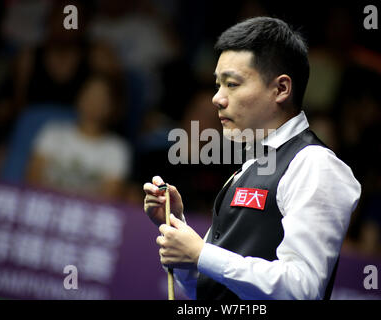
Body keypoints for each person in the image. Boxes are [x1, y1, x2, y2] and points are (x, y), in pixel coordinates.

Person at [143, 17, 361, 300]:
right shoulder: (249, 167)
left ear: (281, 89)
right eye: (218, 85)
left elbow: (302, 289)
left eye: (232, 84)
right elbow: (208, 291)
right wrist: (177, 230)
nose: (217, 99)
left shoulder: (314, 165)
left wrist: (202, 253)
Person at [26, 73, 131, 201]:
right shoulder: (53, 132)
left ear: (112, 106)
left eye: (102, 98)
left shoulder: (117, 149)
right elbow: (32, 179)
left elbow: (109, 198)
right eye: (90, 94)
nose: (94, 102)